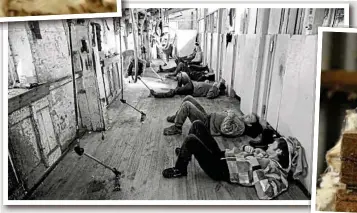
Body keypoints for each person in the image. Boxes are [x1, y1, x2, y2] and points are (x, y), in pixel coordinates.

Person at [162, 120, 292, 200]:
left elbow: (265, 194)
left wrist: (256, 166)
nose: (269, 145)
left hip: (220, 170)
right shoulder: (267, 156)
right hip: (222, 155)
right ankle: (187, 153)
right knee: (197, 125)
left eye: (273, 146)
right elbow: (242, 154)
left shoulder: (279, 176)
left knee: (191, 140)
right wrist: (246, 148)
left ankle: (180, 169)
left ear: (279, 152)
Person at [162, 95, 263, 136]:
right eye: (248, 114)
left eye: (249, 118)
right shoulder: (239, 119)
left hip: (207, 125)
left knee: (187, 105)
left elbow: (225, 129)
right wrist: (228, 113)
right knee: (188, 98)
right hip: (208, 117)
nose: (246, 116)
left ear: (249, 124)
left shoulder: (241, 128)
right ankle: (177, 117)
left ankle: (177, 127)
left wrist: (230, 115)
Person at [150, 72, 226, 99]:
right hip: (193, 84)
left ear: (219, 88)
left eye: (218, 84)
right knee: (181, 74)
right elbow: (205, 85)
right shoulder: (213, 87)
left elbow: (209, 96)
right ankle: (178, 88)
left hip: (192, 88)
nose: (217, 83)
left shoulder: (215, 90)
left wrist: (215, 86)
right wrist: (208, 82)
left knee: (174, 91)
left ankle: (157, 95)